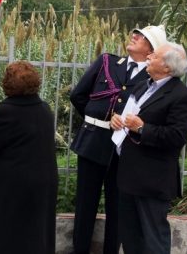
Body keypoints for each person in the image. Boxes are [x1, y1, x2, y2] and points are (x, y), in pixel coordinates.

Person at [69, 25, 167, 254]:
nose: (134, 36)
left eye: (141, 36)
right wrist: (98, 118)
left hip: (126, 152)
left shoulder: (154, 76)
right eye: (135, 33)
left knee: (118, 209)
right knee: (84, 206)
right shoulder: (107, 62)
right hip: (92, 143)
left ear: (151, 49)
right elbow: (78, 95)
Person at [110, 42, 187, 254]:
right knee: (131, 237)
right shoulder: (142, 86)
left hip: (152, 179)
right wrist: (117, 120)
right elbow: (128, 114)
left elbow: (176, 137)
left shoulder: (182, 97)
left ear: (167, 67)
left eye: (154, 55)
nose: (148, 56)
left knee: (153, 239)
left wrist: (142, 128)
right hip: (128, 175)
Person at [0, 61, 58, 254]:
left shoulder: (5, 111)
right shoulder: (44, 109)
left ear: (7, 84)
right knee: (35, 235)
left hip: (12, 188)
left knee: (7, 236)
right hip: (42, 184)